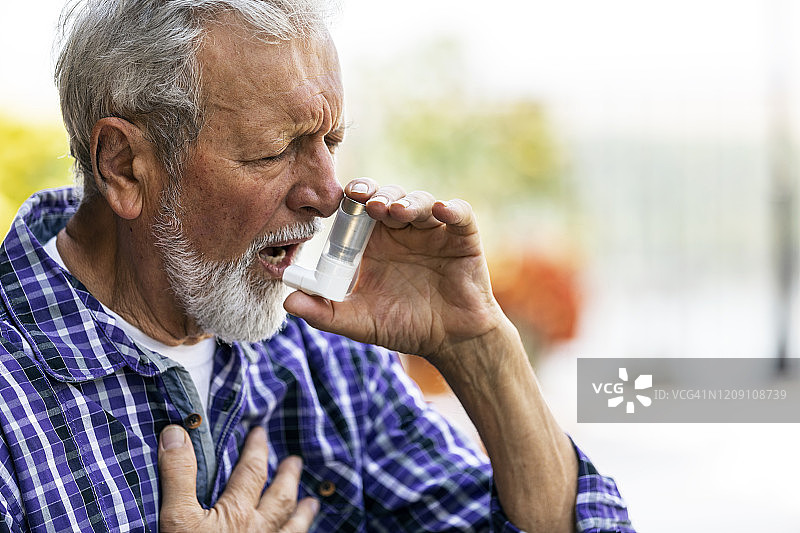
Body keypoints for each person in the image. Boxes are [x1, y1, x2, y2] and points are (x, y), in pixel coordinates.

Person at [0, 0, 634, 531]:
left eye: (330, 141)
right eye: (276, 150)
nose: (329, 192)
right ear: (124, 165)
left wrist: (477, 346)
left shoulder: (320, 346)